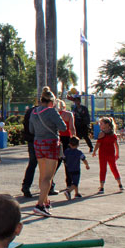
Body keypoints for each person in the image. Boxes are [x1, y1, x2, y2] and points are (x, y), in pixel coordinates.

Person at [29, 87, 66, 216]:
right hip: (50, 143)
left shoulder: (34, 112)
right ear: (51, 101)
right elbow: (63, 127)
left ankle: (45, 201)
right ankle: (39, 204)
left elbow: (31, 129)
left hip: (37, 143)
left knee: (42, 174)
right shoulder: (52, 112)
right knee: (48, 177)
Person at [93, 117, 123, 193]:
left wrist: (94, 151)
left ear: (107, 124)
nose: (100, 125)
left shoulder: (102, 134)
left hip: (103, 154)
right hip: (111, 154)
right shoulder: (113, 134)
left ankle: (102, 187)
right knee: (114, 168)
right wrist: (117, 153)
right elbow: (116, 144)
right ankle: (120, 184)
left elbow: (98, 144)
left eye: (101, 123)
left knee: (103, 169)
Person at [54, 99, 76, 191]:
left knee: (56, 161)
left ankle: (49, 180)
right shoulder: (68, 114)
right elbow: (71, 127)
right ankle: (69, 183)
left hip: (57, 138)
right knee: (68, 162)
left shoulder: (54, 115)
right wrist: (74, 137)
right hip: (67, 138)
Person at [21, 102, 38, 198]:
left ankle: (26, 186)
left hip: (31, 140)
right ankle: (49, 186)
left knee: (32, 163)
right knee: (47, 165)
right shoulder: (43, 111)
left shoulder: (30, 111)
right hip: (41, 140)